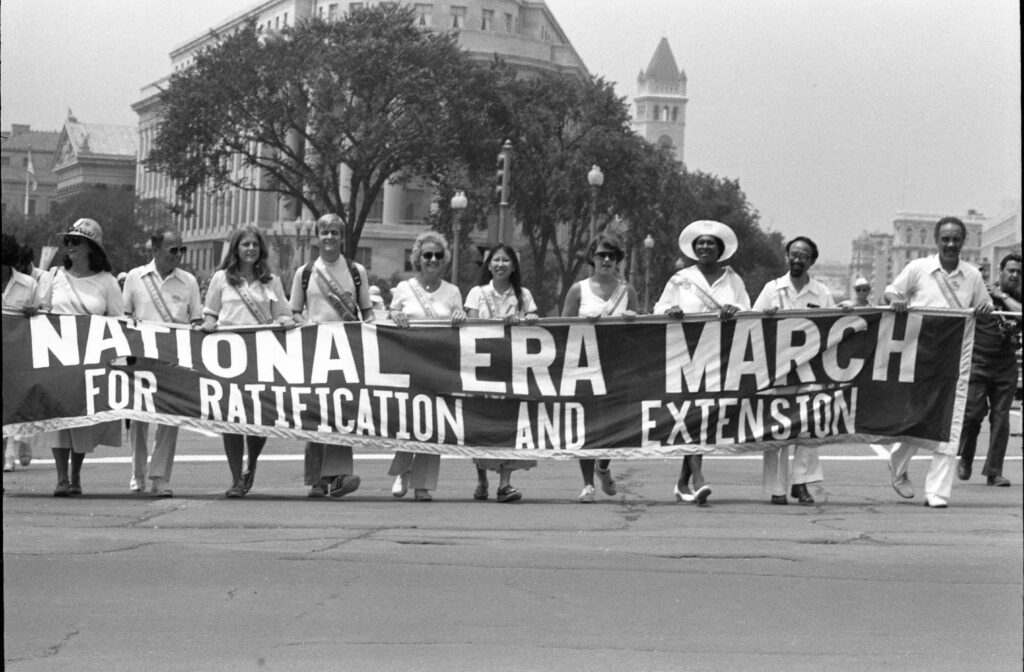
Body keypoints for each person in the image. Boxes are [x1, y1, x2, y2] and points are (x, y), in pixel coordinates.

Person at [884, 216, 993, 508]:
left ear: (963, 242)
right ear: (936, 240)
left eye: (956, 239)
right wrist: (896, 301)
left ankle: (937, 492)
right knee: (918, 419)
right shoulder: (919, 268)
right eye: (945, 239)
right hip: (919, 357)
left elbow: (986, 306)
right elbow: (893, 290)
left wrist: (984, 310)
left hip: (956, 360)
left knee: (951, 422)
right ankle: (897, 465)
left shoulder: (971, 275)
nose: (951, 244)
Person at [652, 220, 749, 506]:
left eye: (711, 243)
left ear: (720, 249)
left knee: (704, 416)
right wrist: (670, 310)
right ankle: (698, 478)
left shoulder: (733, 279)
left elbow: (748, 307)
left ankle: (683, 482)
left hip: (720, 355)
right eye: (701, 243)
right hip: (685, 355)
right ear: (694, 249)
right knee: (690, 413)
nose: (705, 247)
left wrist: (736, 310)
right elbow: (658, 308)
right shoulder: (680, 279)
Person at [753, 236, 849, 505]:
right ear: (787, 257)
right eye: (793, 254)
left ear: (812, 261)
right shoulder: (772, 289)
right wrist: (766, 317)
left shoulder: (821, 293)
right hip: (777, 368)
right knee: (778, 427)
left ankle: (802, 483)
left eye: (803, 256)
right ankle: (777, 488)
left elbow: (834, 327)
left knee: (809, 427)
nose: (797, 259)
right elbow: (750, 324)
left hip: (811, 370)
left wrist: (847, 312)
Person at [202, 226, 295, 498]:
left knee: (258, 419)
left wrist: (285, 322)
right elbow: (210, 313)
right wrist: (208, 323)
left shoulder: (271, 280)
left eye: (255, 244)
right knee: (230, 420)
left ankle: (250, 467)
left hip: (262, 357)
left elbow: (283, 313)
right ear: (236, 249)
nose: (250, 249)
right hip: (228, 358)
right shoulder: (221, 279)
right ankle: (235, 477)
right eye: (245, 245)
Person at [290, 214, 373, 499]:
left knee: (342, 410)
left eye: (334, 233)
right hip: (314, 350)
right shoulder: (305, 272)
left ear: (342, 237)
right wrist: (302, 323)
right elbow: (295, 312)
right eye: (324, 232)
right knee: (315, 412)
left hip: (347, 350)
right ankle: (316, 479)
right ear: (317, 236)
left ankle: (338, 475)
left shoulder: (355, 270)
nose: (329, 237)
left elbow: (367, 312)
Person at [44, 219, 125, 496]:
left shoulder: (107, 282)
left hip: (90, 359)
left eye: (75, 241)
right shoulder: (53, 276)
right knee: (59, 419)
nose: (69, 246)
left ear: (90, 247)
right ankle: (60, 478)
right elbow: (42, 309)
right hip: (57, 358)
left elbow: (118, 322)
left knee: (80, 419)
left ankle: (76, 474)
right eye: (67, 241)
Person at [122, 228, 202, 497]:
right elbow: (123, 316)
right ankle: (137, 473)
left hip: (173, 358)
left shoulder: (188, 281)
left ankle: (160, 478)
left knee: (169, 420)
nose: (178, 255)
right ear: (155, 251)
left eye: (182, 250)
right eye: (173, 250)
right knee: (138, 419)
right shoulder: (135, 277)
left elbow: (197, 318)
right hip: (140, 358)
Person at [388, 231, 466, 501]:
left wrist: (460, 315)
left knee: (433, 425)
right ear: (417, 259)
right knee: (408, 421)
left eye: (438, 255)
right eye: (427, 255)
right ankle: (404, 471)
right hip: (408, 363)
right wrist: (395, 315)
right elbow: (391, 315)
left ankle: (423, 484)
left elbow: (461, 325)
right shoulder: (404, 288)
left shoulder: (453, 291)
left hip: (438, 365)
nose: (433, 259)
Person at [562, 233, 640, 503]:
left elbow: (642, 331)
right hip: (586, 367)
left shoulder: (626, 291)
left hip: (618, 368)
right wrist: (584, 323)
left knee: (615, 424)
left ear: (618, 260)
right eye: (601, 255)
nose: (606, 260)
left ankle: (603, 466)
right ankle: (587, 484)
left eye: (612, 256)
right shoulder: (578, 290)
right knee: (588, 425)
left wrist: (632, 320)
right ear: (592, 258)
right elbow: (561, 329)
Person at [464, 244, 540, 503]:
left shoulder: (524, 295)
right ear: (489, 265)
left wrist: (528, 321)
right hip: (484, 368)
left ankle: (505, 484)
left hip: (514, 369)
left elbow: (535, 322)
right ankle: (482, 478)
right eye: (496, 260)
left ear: (514, 266)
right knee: (482, 425)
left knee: (510, 424)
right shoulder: (477, 293)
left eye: (505, 260)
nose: (500, 265)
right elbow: (471, 326)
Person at [957, 253, 1021, 488]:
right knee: (973, 414)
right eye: (1010, 270)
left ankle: (994, 472)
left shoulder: (1016, 298)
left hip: (1005, 366)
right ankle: (965, 456)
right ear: (1001, 272)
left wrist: (1001, 296)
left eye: (1018, 272)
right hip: (978, 362)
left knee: (1001, 418)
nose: (1014, 275)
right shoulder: (981, 291)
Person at [3, 234, 43, 472]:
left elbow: (43, 317)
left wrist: (35, 311)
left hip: (19, 354)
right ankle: (8, 452)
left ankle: (18, 444)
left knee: (15, 404)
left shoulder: (28, 286)